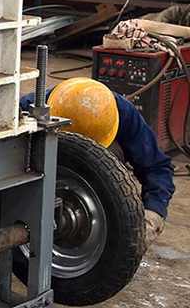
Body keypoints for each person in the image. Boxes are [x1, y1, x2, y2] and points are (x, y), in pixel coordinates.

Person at [21, 77, 175, 247]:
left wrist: (153, 212)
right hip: (47, 173)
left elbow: (156, 166)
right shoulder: (28, 110)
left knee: (113, 155)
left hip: (97, 189)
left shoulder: (121, 112)